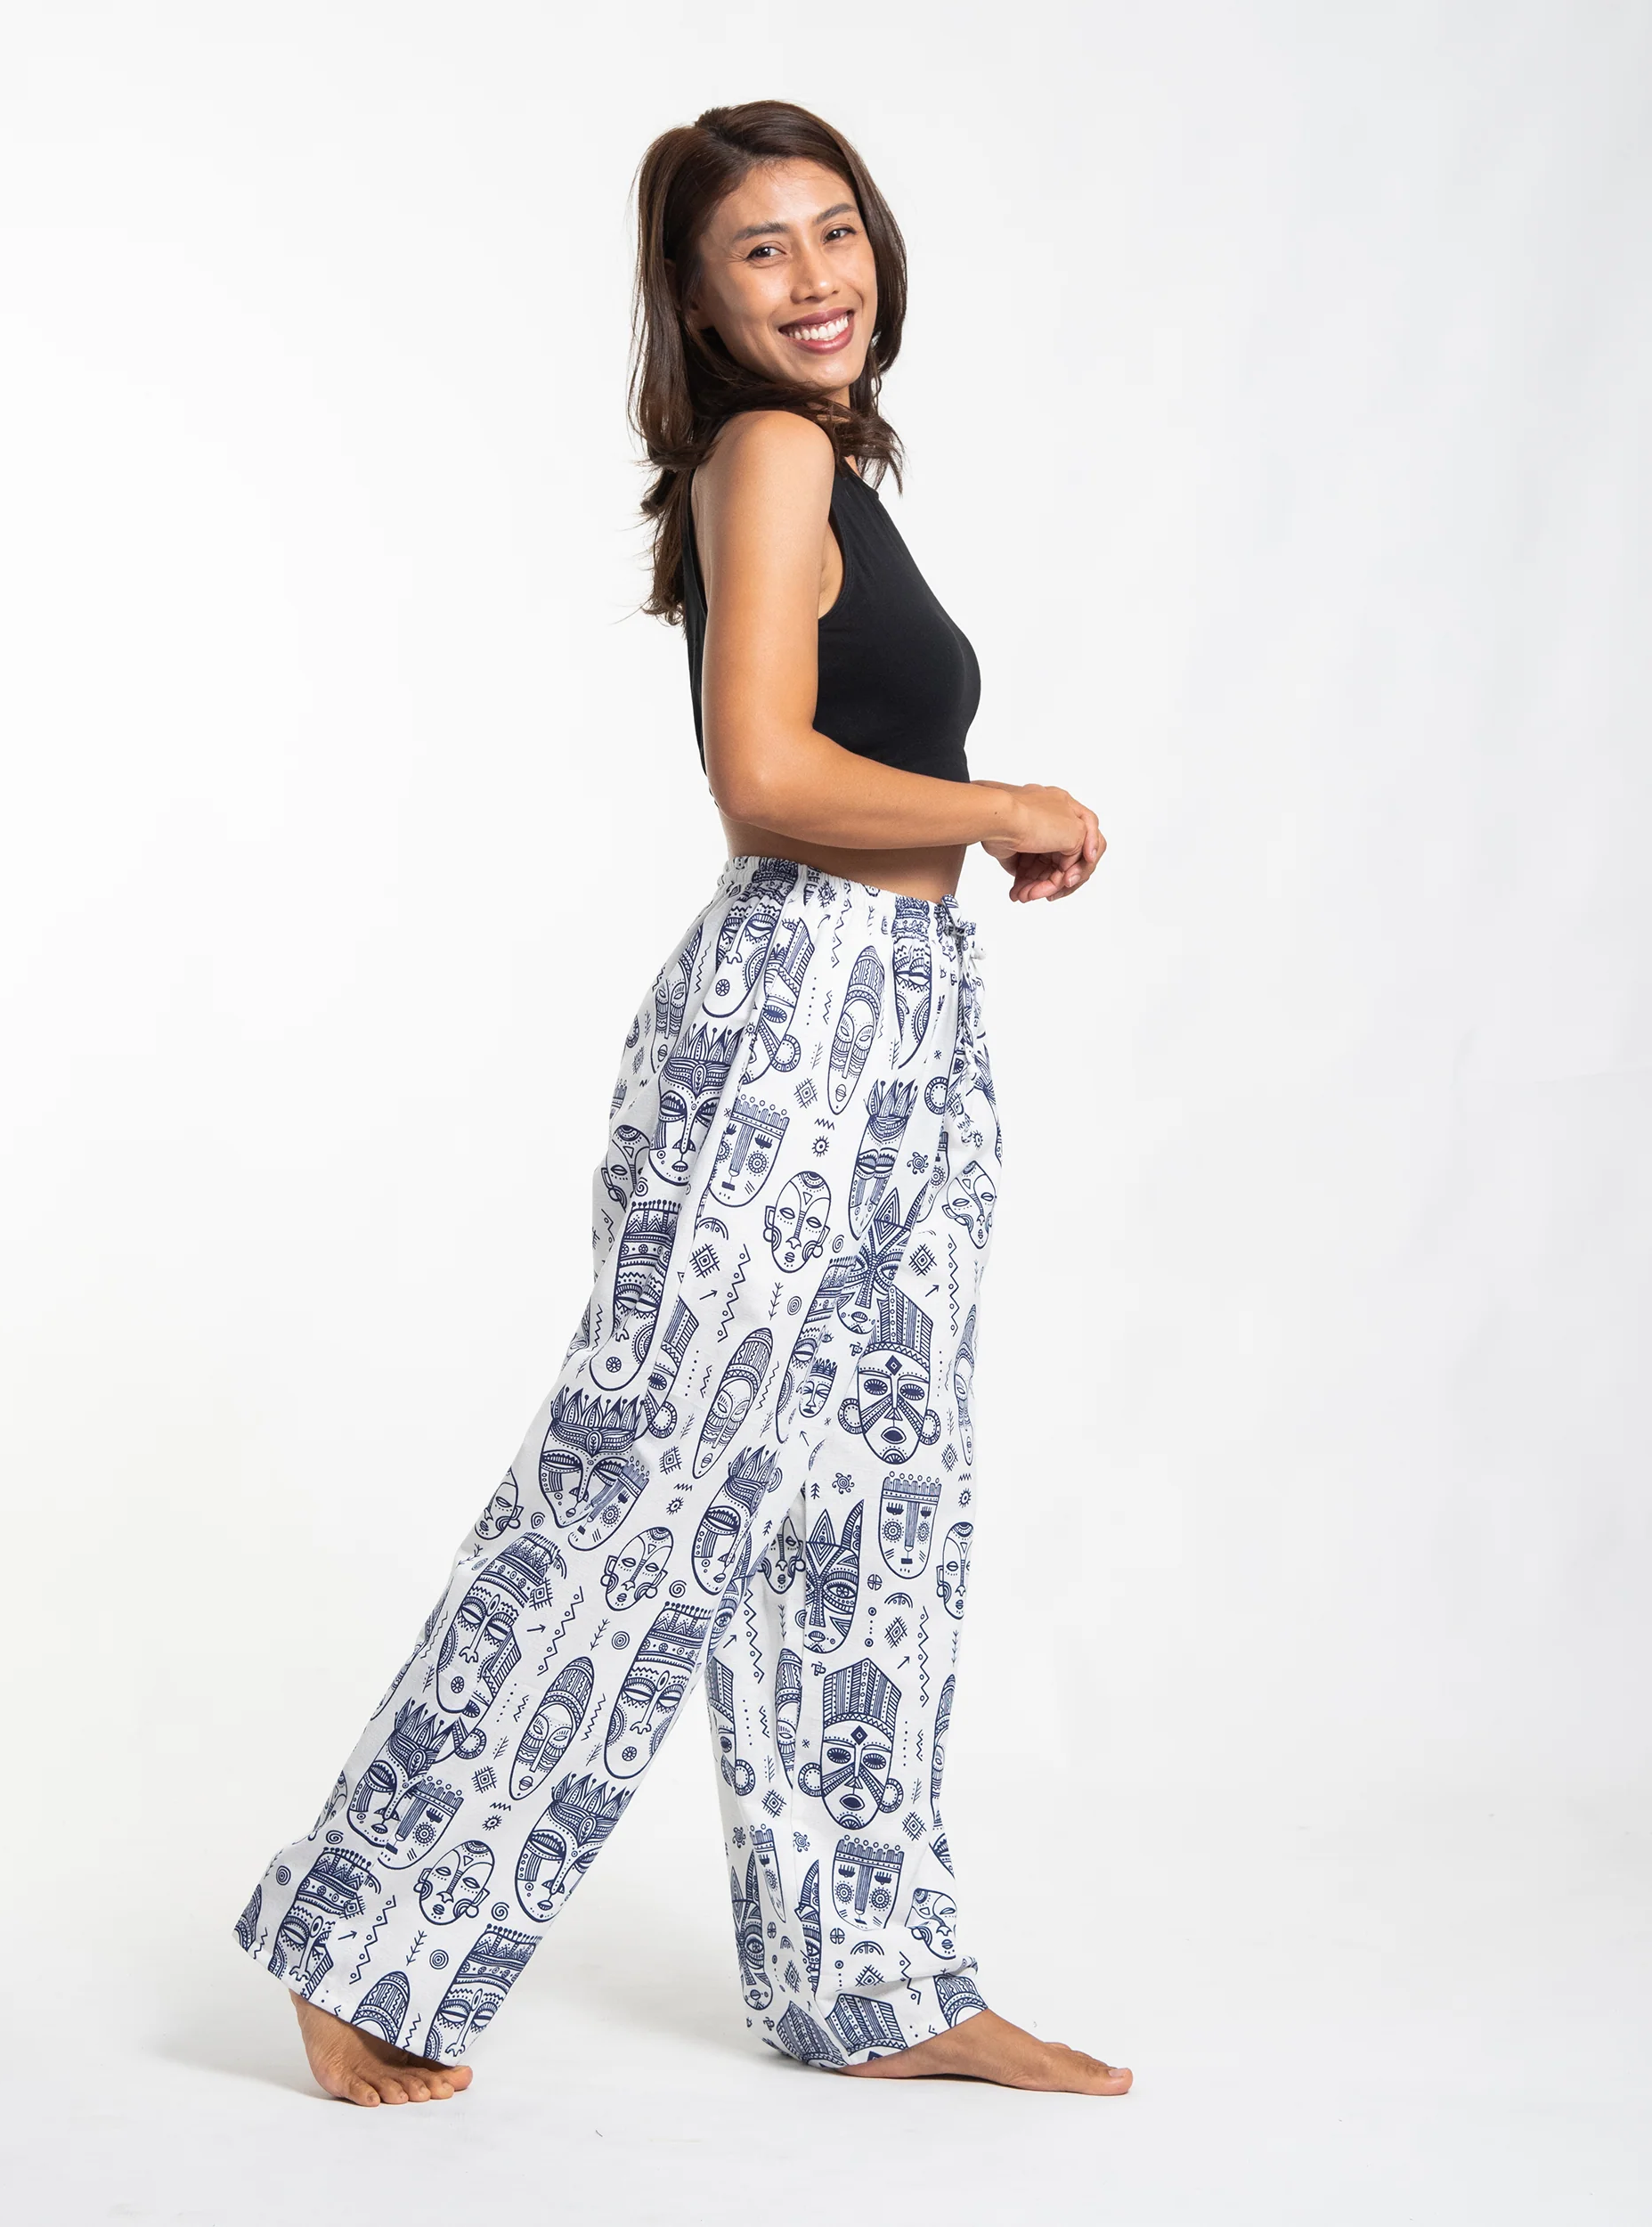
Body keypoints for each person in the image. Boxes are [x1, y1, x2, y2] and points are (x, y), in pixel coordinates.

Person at [232, 98, 1127, 2109]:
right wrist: (1002, 802)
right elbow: (764, 773)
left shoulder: (827, 465)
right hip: (796, 1014)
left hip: (904, 1012)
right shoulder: (768, 452)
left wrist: (968, 841)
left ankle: (872, 1976)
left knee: (873, 1498)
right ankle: (358, 1934)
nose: (816, 278)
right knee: (642, 1477)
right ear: (697, 297)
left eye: (837, 230)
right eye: (762, 248)